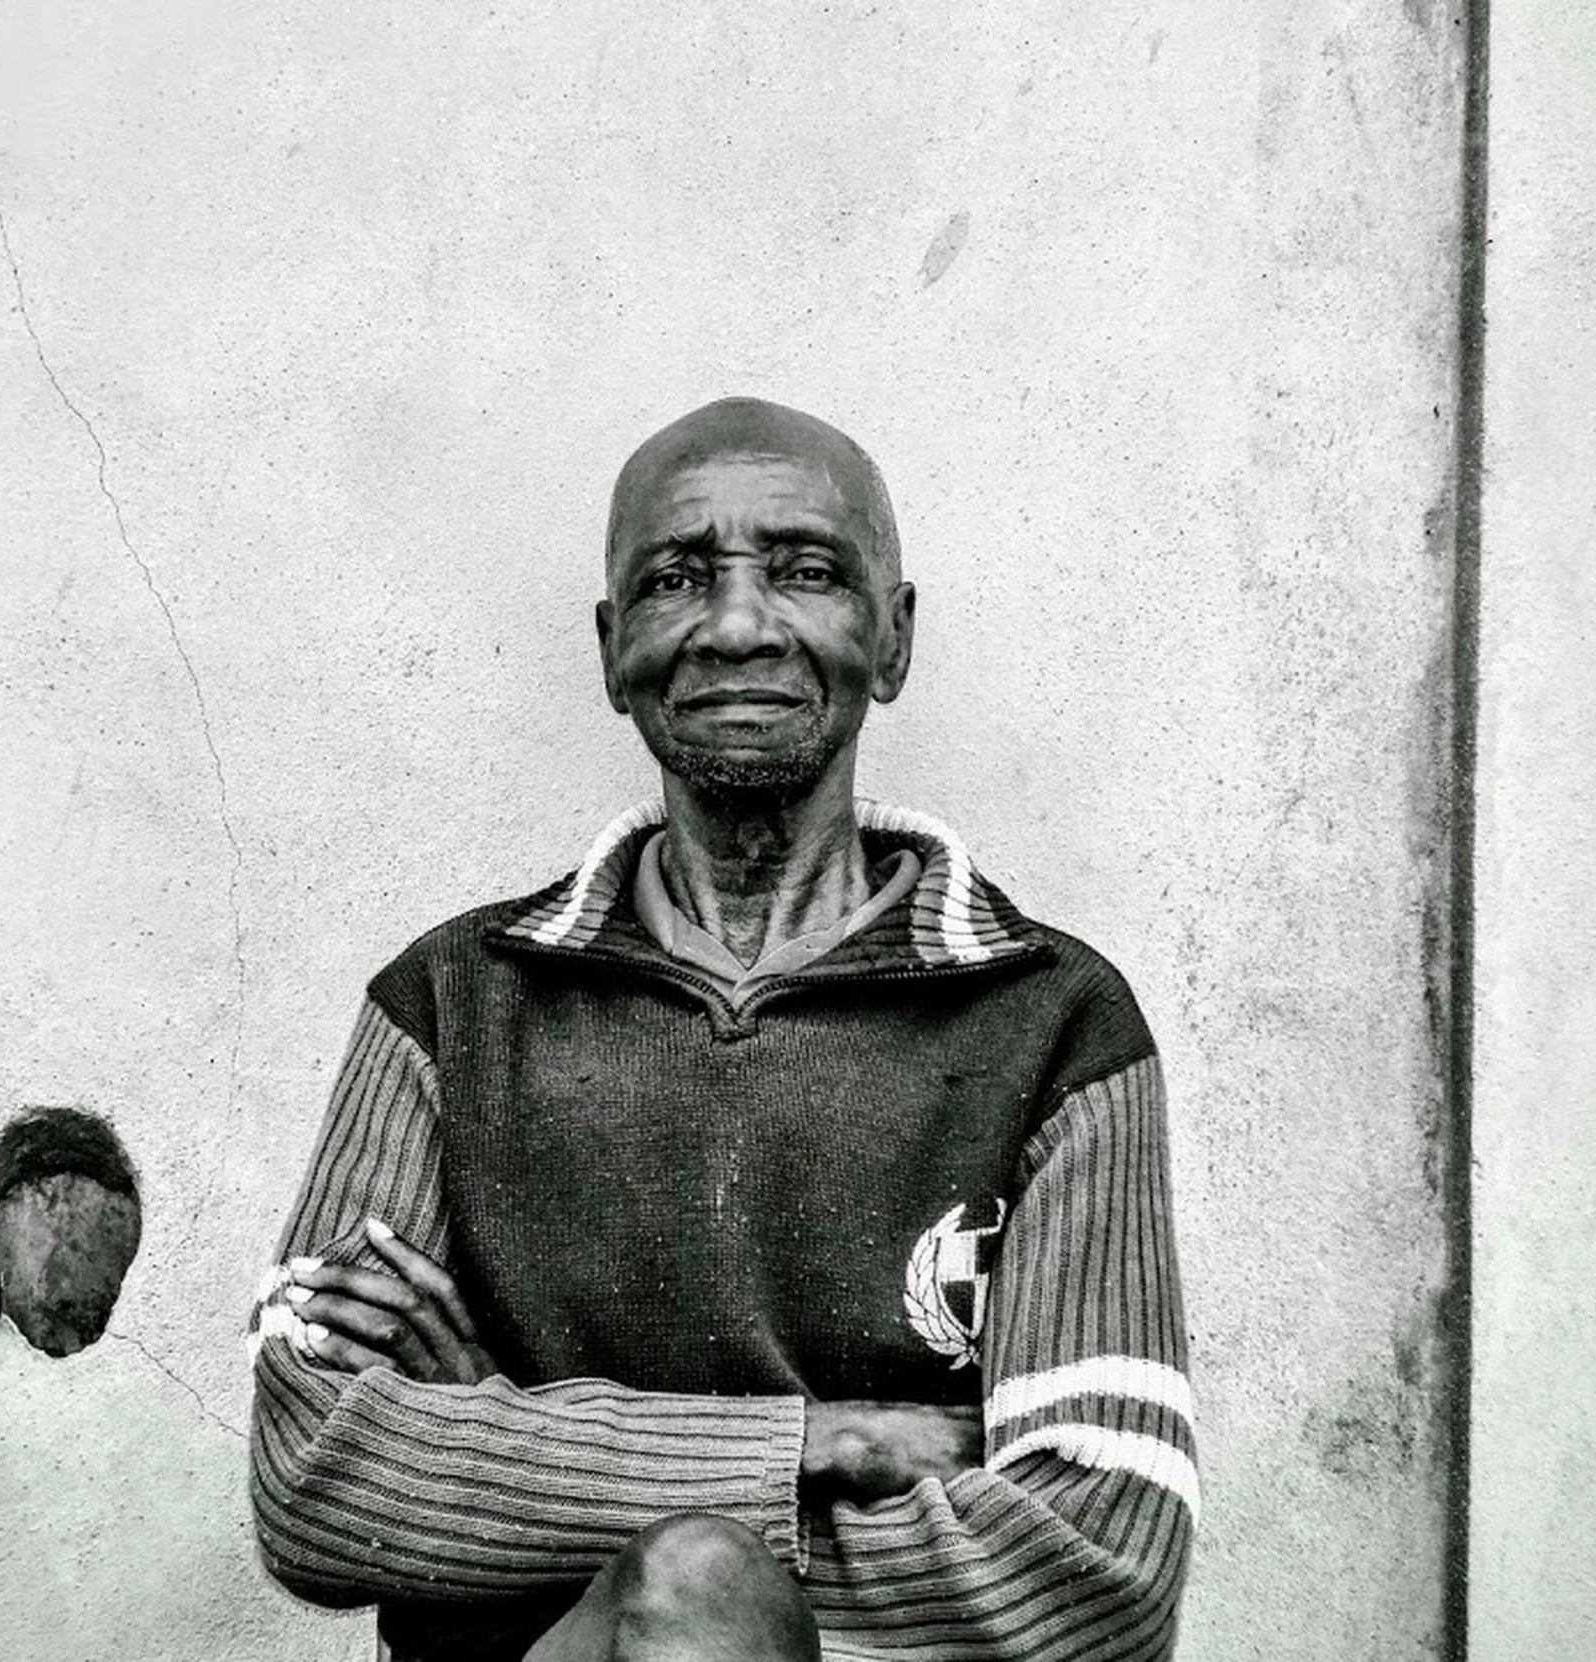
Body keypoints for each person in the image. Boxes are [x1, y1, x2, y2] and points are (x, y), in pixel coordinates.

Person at [249, 397, 1197, 1661]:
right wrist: (818, 1445)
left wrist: (500, 1442)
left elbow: (1098, 1568)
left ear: (892, 638)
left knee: (698, 1591)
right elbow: (317, 1480)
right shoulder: (450, 1003)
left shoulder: (1053, 1024)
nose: (738, 623)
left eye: (804, 572)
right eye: (676, 578)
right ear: (610, 648)